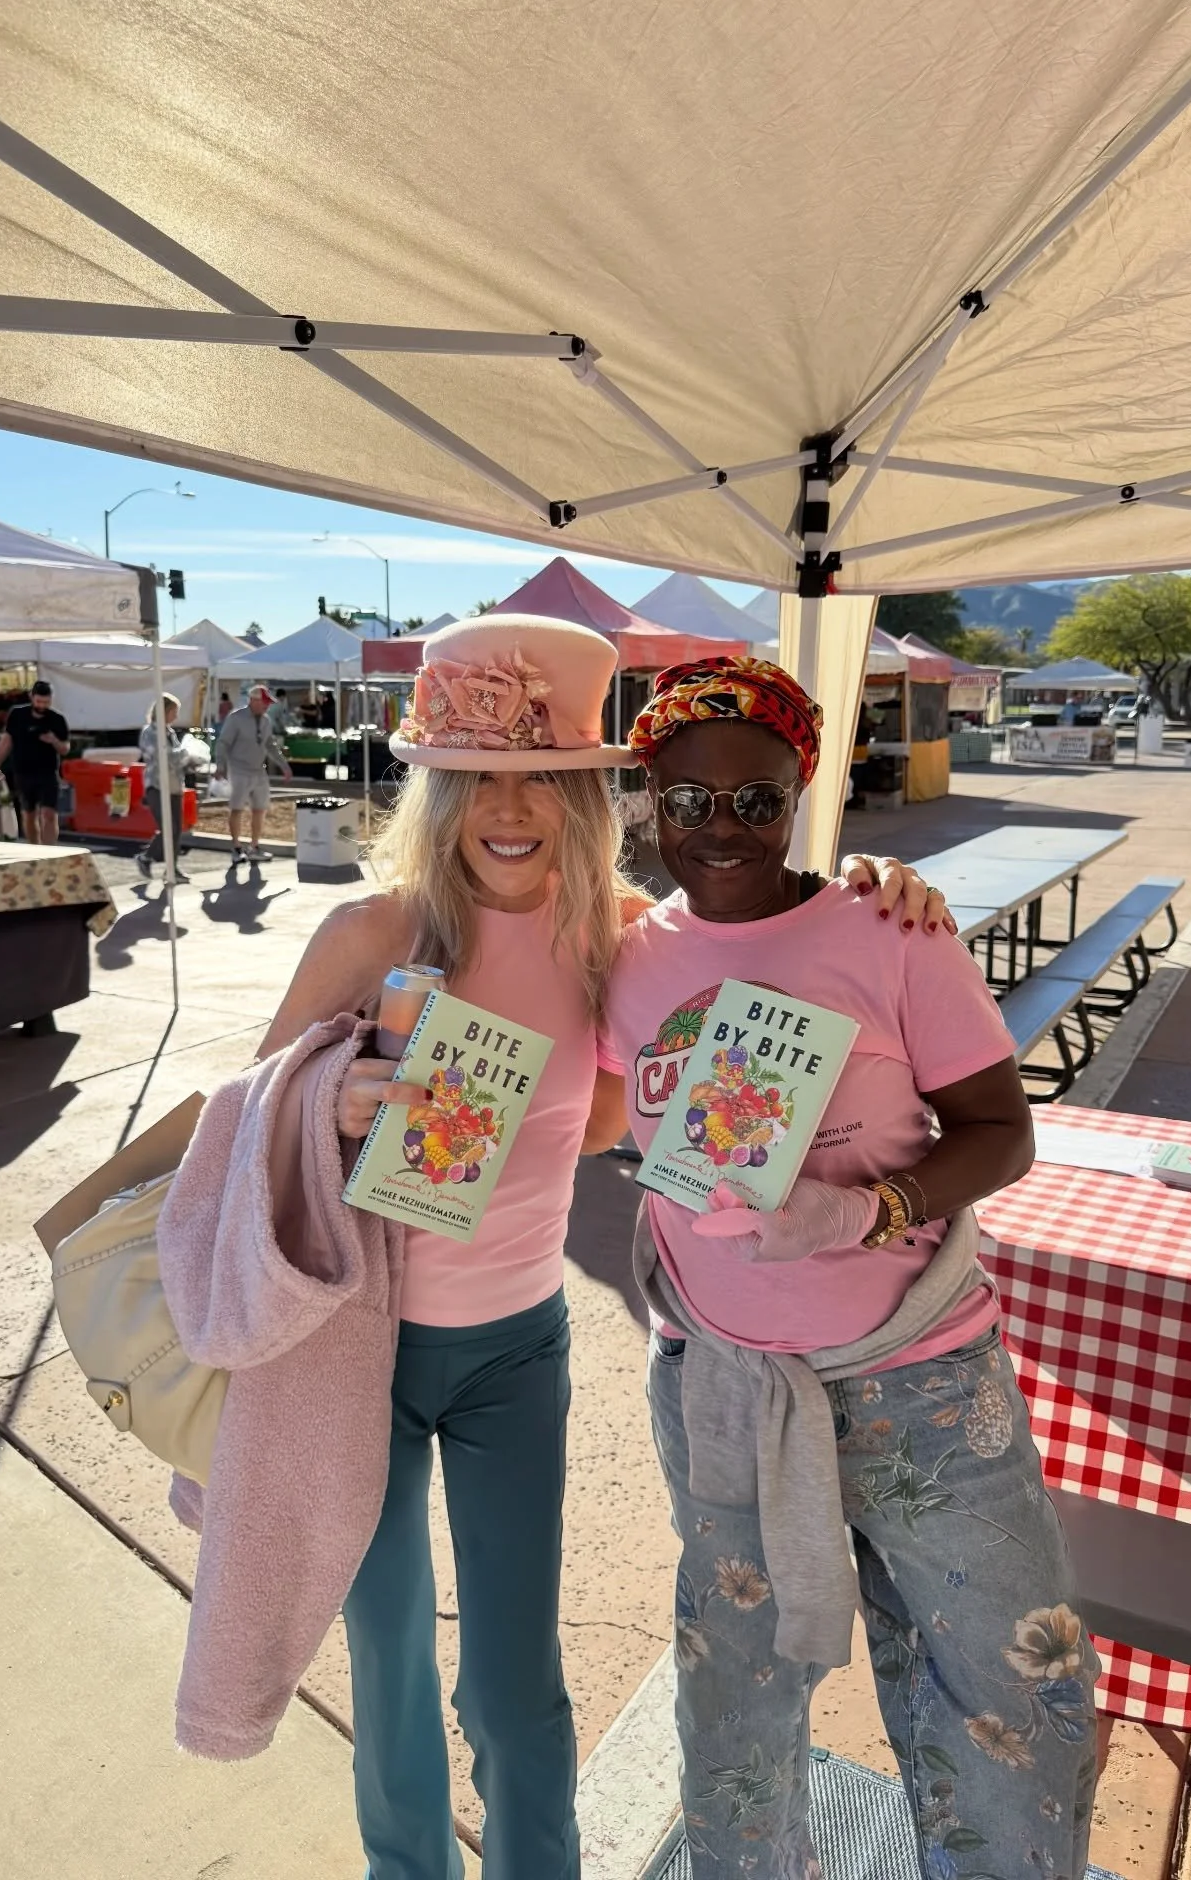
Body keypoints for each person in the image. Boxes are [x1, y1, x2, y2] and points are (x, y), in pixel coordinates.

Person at [256, 616, 948, 1880]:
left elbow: (622, 1111)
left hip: (518, 1351)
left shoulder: (619, 942)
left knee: (517, 1678)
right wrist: (331, 1099)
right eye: (477, 779)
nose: (508, 808)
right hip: (355, 1351)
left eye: (546, 778)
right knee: (389, 1654)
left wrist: (879, 891)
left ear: (589, 796)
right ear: (439, 792)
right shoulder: (371, 935)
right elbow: (248, 1130)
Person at [596, 655, 1097, 1880]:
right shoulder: (617, 953)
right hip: (722, 1388)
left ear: (802, 792)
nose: (723, 830)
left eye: (757, 800)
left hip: (921, 1391)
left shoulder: (887, 929)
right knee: (735, 1700)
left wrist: (866, 1212)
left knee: (1009, 1689)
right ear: (647, 799)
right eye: (690, 801)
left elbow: (1003, 1130)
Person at [215, 683, 291, 864]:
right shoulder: (236, 718)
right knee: (237, 808)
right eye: (264, 702)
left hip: (259, 771)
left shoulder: (265, 721)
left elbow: (270, 745)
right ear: (253, 700)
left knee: (260, 809)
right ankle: (235, 847)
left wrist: (284, 765)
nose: (267, 706)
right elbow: (223, 743)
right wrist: (220, 765)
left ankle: (254, 846)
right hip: (239, 769)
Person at [0, 679, 69, 844]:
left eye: (46, 702)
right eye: (39, 701)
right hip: (23, 771)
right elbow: (7, 740)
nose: (42, 706)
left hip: (47, 772)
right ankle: (34, 848)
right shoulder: (17, 715)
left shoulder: (57, 719)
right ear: (31, 697)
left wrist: (53, 740)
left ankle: (49, 851)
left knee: (49, 814)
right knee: (29, 813)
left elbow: (65, 748)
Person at [136, 691, 192, 882]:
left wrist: (191, 759)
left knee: (176, 829)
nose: (176, 716)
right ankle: (146, 857)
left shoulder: (170, 732)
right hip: (158, 785)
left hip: (175, 786)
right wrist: (185, 753)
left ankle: (172, 869)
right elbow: (165, 757)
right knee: (167, 827)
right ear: (164, 711)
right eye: (174, 711)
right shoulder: (150, 733)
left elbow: (177, 758)